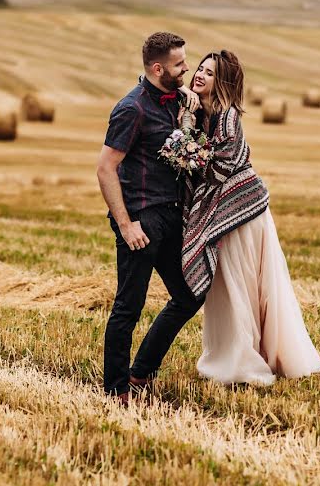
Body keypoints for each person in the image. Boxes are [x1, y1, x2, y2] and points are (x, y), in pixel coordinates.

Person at [179, 50, 320, 386]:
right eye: (200, 69)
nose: (200, 75)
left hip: (242, 214)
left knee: (237, 285)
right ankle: (239, 354)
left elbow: (217, 165)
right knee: (234, 285)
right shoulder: (203, 114)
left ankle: (242, 362)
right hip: (234, 211)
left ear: (223, 82)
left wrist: (186, 140)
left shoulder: (227, 117)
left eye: (210, 73)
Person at [96, 32, 204, 405]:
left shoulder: (178, 100)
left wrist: (188, 107)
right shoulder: (132, 108)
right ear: (158, 68)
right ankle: (116, 390)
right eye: (179, 64)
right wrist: (126, 225)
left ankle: (141, 371)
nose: (187, 68)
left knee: (190, 295)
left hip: (171, 217)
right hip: (141, 219)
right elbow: (106, 169)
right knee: (129, 305)